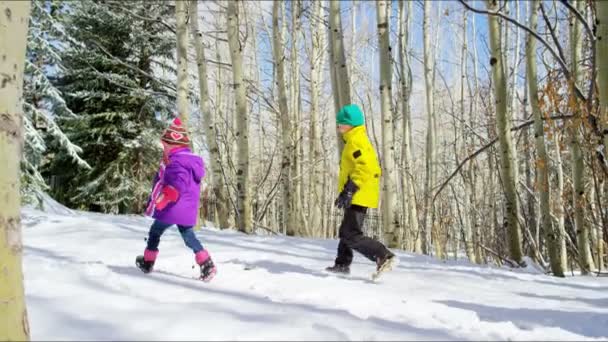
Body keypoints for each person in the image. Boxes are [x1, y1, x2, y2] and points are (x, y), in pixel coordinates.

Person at [136, 117, 216, 282]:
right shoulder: (190, 162)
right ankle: (207, 263)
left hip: (172, 207)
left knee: (155, 232)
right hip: (187, 209)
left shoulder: (176, 162)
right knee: (188, 236)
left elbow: (178, 182)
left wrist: (166, 196)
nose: (163, 148)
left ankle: (148, 262)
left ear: (173, 145)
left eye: (165, 145)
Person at [326, 104, 398, 279]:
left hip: (360, 193)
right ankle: (342, 264)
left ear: (351, 124)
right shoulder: (353, 139)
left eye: (341, 124)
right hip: (357, 193)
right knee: (346, 230)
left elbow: (367, 167)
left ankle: (383, 255)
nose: (339, 127)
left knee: (350, 233)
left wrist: (350, 189)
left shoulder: (357, 141)